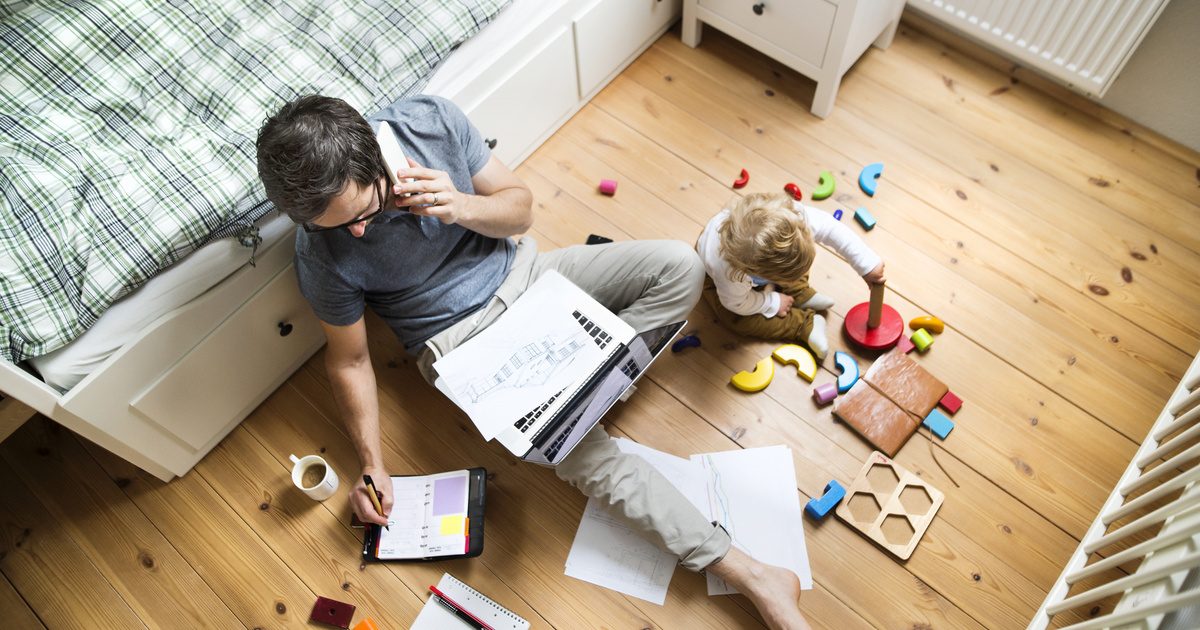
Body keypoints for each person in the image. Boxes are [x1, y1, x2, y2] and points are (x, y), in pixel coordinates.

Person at [256, 95, 811, 628]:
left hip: (531, 278)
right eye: (334, 226)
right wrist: (372, 462)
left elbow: (519, 208)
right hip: (461, 344)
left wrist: (462, 205)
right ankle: (752, 573)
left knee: (680, 267)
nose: (356, 232)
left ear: (375, 154)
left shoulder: (429, 122)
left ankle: (582, 395)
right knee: (572, 452)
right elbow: (350, 361)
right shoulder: (319, 252)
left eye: (366, 212)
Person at [697, 192, 885, 359]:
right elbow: (737, 304)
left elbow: (831, 228)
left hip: (761, 264)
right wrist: (771, 302)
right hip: (719, 282)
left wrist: (866, 264)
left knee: (795, 260)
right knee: (734, 319)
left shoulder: (794, 217)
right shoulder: (730, 275)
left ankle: (799, 292)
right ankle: (802, 325)